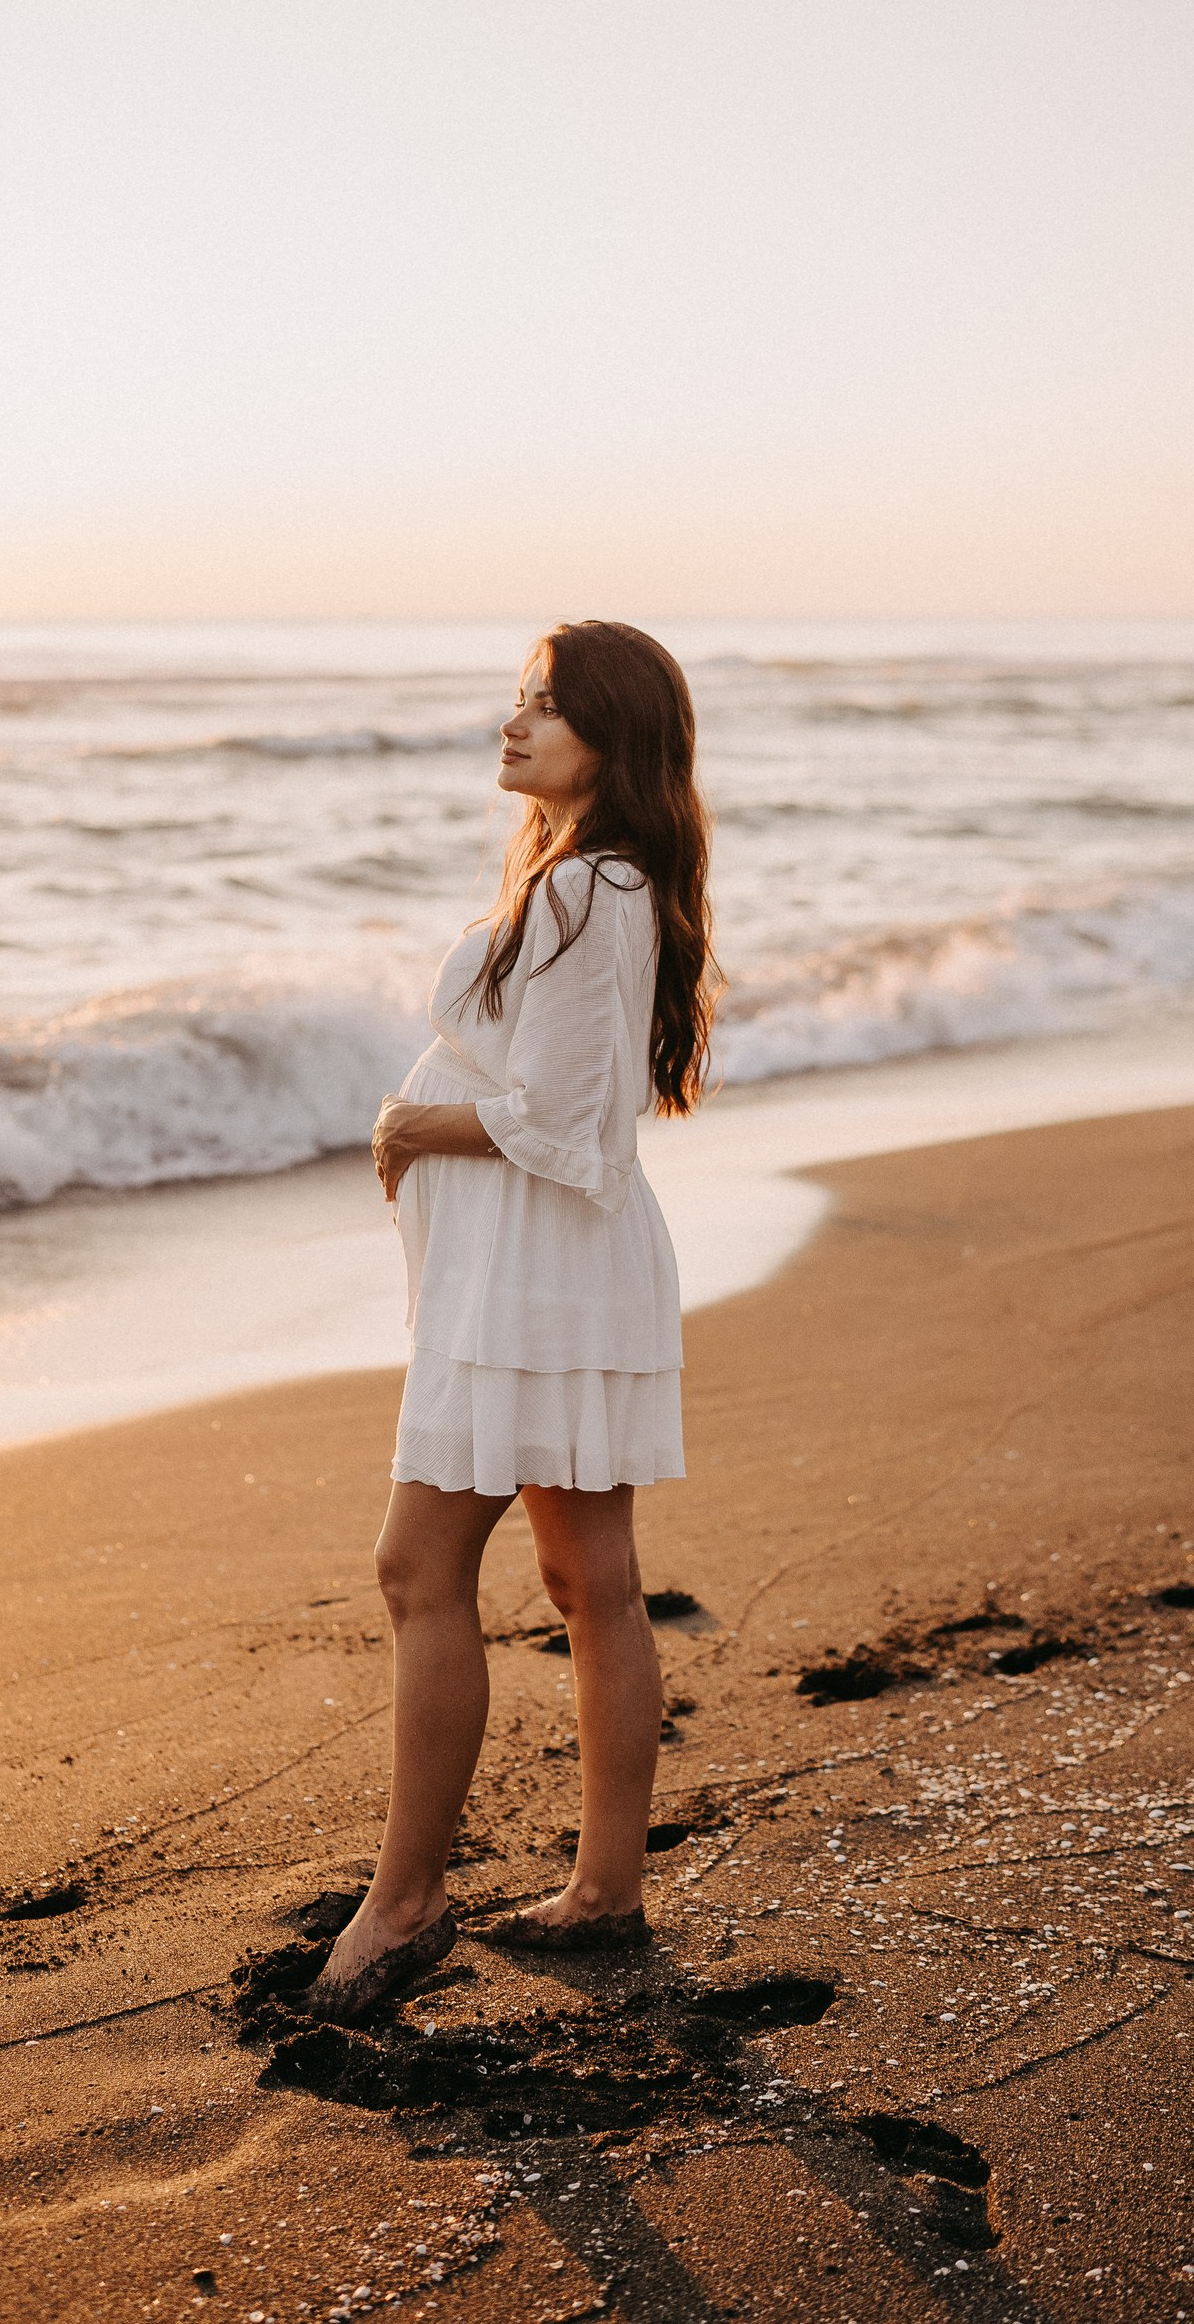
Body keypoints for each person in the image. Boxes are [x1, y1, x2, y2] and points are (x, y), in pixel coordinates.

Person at [305, 618, 715, 2022]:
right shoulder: (588, 878)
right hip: (540, 1273)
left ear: (615, 735)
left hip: (540, 1281)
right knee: (587, 1581)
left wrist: (414, 1124)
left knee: (421, 1568)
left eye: (547, 705)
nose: (514, 721)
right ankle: (605, 1890)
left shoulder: (593, 889)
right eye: (520, 698)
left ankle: (409, 1899)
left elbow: (567, 1123)